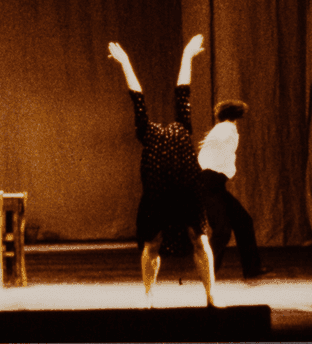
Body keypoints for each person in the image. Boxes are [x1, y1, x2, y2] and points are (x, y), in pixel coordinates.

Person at [108, 35, 215, 307]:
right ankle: (148, 295)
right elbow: (137, 97)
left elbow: (183, 91)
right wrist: (125, 63)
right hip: (157, 194)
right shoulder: (146, 131)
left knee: (200, 240)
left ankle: (211, 295)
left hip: (187, 191)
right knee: (152, 242)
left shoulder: (183, 127)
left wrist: (187, 57)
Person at [197, 99, 267, 279]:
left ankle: (252, 268)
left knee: (243, 221)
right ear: (236, 114)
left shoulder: (223, 128)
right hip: (209, 183)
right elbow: (213, 151)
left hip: (214, 184)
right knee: (222, 231)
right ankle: (207, 270)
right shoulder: (226, 128)